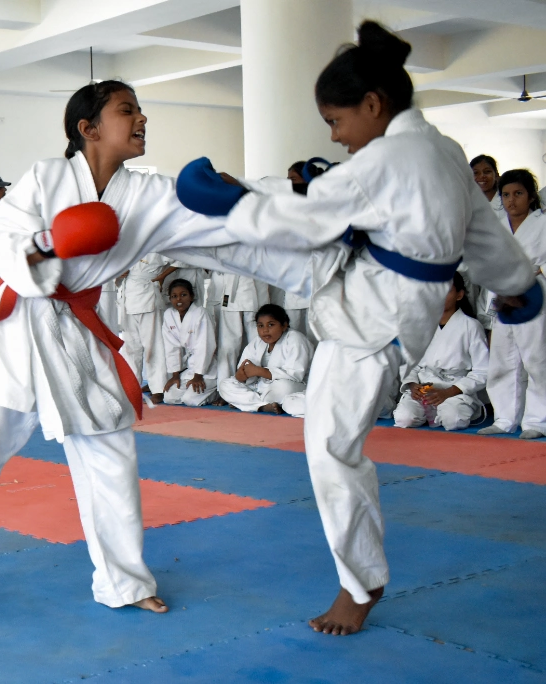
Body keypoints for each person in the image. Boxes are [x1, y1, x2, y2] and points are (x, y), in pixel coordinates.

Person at [171, 21, 539, 635]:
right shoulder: (441, 150)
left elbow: (308, 215)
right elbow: (485, 234)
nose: (339, 138)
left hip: (373, 328)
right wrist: (517, 283)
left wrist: (232, 204)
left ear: (374, 105)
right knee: (248, 245)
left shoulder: (388, 161)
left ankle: (360, 582)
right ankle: (182, 219)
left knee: (331, 452)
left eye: (338, 123)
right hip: (364, 292)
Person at [0, 80, 237, 633]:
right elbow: (8, 235)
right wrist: (49, 242)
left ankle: (125, 581)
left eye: (139, 110)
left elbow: (199, 218)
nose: (141, 119)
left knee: (111, 453)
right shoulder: (45, 177)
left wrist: (239, 196)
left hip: (79, 335)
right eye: (127, 110)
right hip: (17, 332)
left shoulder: (144, 193)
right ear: (87, 129)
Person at [478, 169, 546, 439]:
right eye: (506, 194)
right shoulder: (495, 225)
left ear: (530, 197)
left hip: (533, 294)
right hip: (503, 296)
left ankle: (537, 421)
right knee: (502, 359)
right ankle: (505, 418)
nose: (511, 200)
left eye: (518, 194)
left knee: (536, 359)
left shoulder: (542, 224)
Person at [392, 273, 488, 431]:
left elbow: (482, 371)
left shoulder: (471, 326)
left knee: (453, 420)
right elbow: (409, 362)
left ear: (459, 295)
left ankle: (448, 409)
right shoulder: (420, 325)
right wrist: (412, 384)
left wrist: (449, 392)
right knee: (404, 419)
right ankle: (425, 411)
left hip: (454, 388)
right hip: (425, 387)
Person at [218, 304, 313, 413]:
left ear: (284, 325)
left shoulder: (295, 339)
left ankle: (246, 402)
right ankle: (263, 406)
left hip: (291, 386)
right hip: (261, 387)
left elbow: (295, 375)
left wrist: (260, 371)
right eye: (260, 326)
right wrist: (241, 376)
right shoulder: (257, 342)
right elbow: (244, 370)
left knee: (283, 388)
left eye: (271, 325)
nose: (265, 330)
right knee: (225, 385)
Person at [118, 253, 174, 403]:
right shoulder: (128, 245)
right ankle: (132, 387)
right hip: (127, 297)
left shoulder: (159, 245)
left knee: (153, 346)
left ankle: (158, 388)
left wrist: (162, 276)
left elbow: (183, 260)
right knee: (130, 347)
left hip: (148, 296)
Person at [212, 273, 270, 404]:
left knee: (259, 343)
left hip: (255, 287)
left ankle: (260, 387)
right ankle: (224, 390)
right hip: (230, 289)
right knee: (227, 346)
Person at [162, 278, 218, 406]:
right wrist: (175, 375)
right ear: (170, 299)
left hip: (206, 368)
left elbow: (205, 346)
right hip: (190, 367)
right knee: (169, 397)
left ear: (191, 297)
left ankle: (215, 393)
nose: (179, 299)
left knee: (190, 400)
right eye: (174, 296)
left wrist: (198, 376)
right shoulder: (169, 315)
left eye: (183, 295)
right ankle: (194, 388)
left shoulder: (200, 313)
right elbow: (171, 347)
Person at [469, 155, 506, 332]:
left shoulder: (505, 201)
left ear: (496, 175)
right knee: (474, 310)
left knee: (494, 315)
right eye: (475, 173)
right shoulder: (467, 203)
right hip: (473, 265)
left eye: (487, 172)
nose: (481, 177)